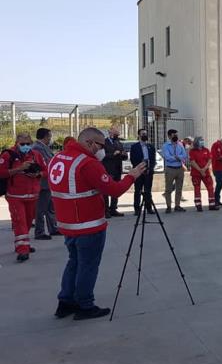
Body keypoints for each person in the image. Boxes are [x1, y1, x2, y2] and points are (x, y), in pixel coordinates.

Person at [49, 128, 146, 320]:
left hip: (68, 224)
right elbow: (114, 190)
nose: (102, 149)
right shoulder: (87, 163)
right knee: (88, 265)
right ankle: (85, 305)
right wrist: (132, 176)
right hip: (88, 224)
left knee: (74, 262)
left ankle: (65, 302)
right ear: (89, 142)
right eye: (101, 145)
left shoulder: (58, 158)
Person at [0, 133, 47, 262]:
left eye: (28, 144)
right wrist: (19, 169)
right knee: (19, 221)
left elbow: (46, 171)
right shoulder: (8, 155)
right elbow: (1, 172)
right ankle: (23, 250)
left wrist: (37, 174)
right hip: (15, 196)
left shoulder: (36, 155)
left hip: (32, 196)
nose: (26, 146)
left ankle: (22, 243)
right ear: (17, 143)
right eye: (22, 144)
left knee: (26, 222)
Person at [32, 128, 60, 240]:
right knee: (41, 209)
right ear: (44, 137)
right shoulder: (38, 148)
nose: (50, 138)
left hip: (47, 182)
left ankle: (53, 228)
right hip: (42, 183)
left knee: (50, 207)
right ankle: (39, 232)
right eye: (49, 136)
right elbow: (46, 163)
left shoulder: (43, 147)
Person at [102, 126, 128, 218]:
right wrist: (113, 154)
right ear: (110, 132)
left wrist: (124, 155)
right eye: (116, 132)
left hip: (117, 169)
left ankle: (113, 209)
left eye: (118, 132)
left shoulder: (119, 143)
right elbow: (102, 155)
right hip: (108, 169)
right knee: (106, 190)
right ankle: (106, 211)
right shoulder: (104, 142)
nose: (118, 134)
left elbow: (124, 156)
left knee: (116, 190)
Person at [130, 128, 156, 216]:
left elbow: (153, 159)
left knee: (148, 190)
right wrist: (139, 168)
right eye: (143, 134)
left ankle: (149, 207)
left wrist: (150, 168)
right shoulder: (134, 147)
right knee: (138, 190)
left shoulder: (151, 147)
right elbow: (133, 159)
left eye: (146, 133)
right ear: (139, 135)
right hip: (139, 172)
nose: (145, 135)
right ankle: (137, 209)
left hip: (148, 172)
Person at [161, 129, 187, 213]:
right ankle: (168, 206)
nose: (175, 136)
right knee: (168, 189)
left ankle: (177, 205)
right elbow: (167, 157)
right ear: (169, 136)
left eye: (176, 134)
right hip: (170, 169)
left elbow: (184, 156)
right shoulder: (166, 146)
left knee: (179, 189)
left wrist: (177, 157)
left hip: (180, 169)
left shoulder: (180, 145)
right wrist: (178, 158)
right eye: (173, 135)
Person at [190, 136, 218, 211]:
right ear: (196, 142)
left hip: (206, 173)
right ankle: (198, 205)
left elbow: (209, 160)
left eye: (203, 140)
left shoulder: (206, 150)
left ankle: (212, 204)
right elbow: (192, 162)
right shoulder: (192, 151)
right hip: (196, 173)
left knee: (210, 187)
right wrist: (200, 170)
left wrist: (204, 169)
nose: (202, 142)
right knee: (197, 188)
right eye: (200, 140)